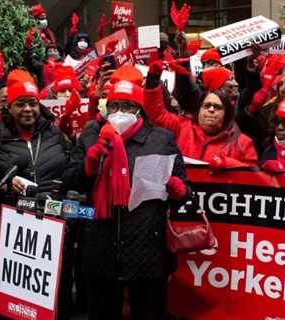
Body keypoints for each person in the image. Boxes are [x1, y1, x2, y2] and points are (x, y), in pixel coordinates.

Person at [63, 77, 190, 320]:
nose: (120, 112)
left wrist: (179, 191)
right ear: (106, 108)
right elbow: (69, 180)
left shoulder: (161, 139)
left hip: (148, 251)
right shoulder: (91, 135)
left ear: (139, 109)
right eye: (114, 106)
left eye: (127, 106)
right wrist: (87, 168)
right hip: (100, 249)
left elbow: (184, 188)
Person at [0, 70, 72, 319]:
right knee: (18, 305)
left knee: (55, 297)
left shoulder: (56, 134)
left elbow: (70, 173)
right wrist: (4, 186)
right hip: (16, 237)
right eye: (20, 104)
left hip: (54, 230)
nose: (27, 109)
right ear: (10, 107)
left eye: (32, 103)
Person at [144, 61, 258, 167]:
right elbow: (157, 115)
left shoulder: (243, 143)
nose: (211, 110)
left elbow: (253, 176)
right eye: (207, 105)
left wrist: (227, 163)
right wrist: (152, 81)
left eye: (217, 107)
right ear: (199, 109)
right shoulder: (182, 127)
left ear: (226, 113)